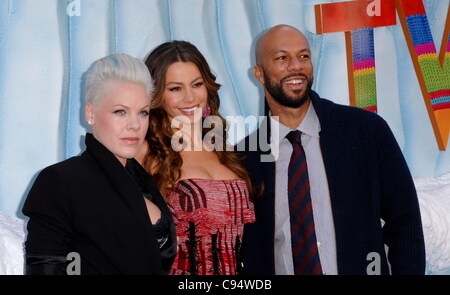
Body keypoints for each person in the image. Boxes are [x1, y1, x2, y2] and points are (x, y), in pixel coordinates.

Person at [240, 24, 426, 275]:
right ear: (259, 74)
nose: (296, 66)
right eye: (282, 58)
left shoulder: (366, 131)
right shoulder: (245, 157)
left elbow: (404, 220)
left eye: (303, 56)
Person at [22, 53, 176, 275]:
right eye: (120, 112)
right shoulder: (59, 181)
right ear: (90, 113)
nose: (135, 124)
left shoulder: (143, 181)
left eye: (143, 112)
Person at [138, 40, 256, 275]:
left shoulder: (224, 150)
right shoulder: (145, 151)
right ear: (156, 94)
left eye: (197, 84)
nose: (190, 97)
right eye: (175, 88)